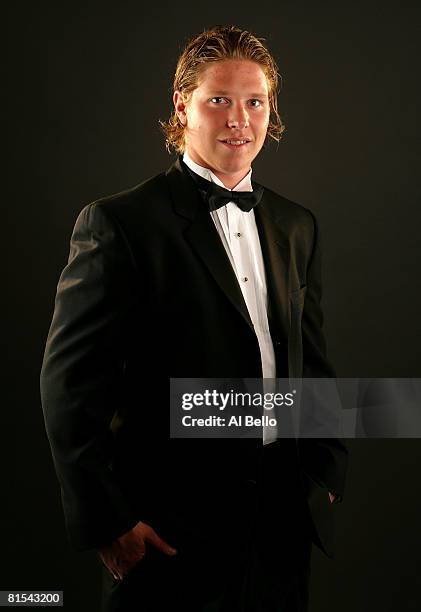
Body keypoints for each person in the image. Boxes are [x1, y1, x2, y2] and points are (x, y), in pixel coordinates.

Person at [40, 25, 348, 612]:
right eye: (219, 100)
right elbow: (68, 389)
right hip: (169, 533)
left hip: (282, 528)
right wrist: (110, 522)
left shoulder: (296, 225)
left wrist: (325, 473)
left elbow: (314, 361)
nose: (240, 118)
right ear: (182, 106)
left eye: (255, 101)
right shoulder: (119, 224)